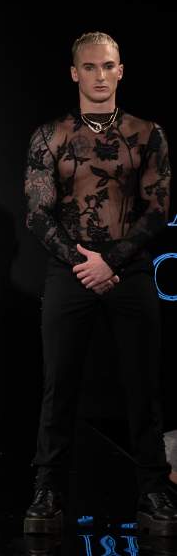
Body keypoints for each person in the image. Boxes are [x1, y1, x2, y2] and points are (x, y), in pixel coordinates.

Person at [23, 31, 175, 536]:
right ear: (74, 72)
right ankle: (48, 488)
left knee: (142, 384)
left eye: (108, 66)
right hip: (70, 271)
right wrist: (84, 262)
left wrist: (112, 261)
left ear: (121, 70)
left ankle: (154, 488)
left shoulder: (148, 133)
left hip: (128, 271)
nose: (100, 76)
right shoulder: (50, 135)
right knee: (58, 385)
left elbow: (158, 211)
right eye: (90, 67)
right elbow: (38, 215)